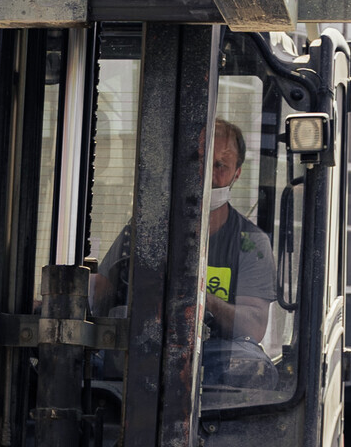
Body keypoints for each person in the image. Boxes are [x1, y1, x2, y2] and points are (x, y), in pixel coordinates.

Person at [88, 115, 279, 345]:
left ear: (236, 174)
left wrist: (197, 296)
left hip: (216, 361)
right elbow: (104, 290)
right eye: (201, 162)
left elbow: (253, 327)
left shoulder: (251, 244)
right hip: (145, 351)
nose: (208, 175)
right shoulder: (148, 228)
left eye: (220, 166)